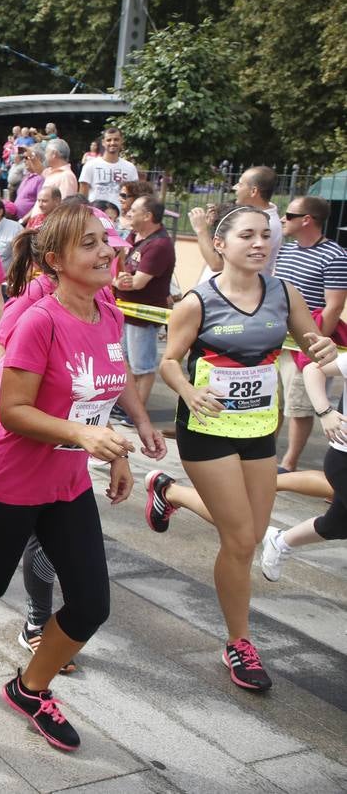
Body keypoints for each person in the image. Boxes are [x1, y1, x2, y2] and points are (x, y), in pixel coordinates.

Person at [0, 203, 134, 752]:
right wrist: (84, 437)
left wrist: (117, 452)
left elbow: (101, 392)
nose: (105, 250)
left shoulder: (110, 314)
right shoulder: (39, 320)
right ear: (55, 260)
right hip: (11, 479)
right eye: (89, 244)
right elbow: (12, 410)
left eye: (104, 240)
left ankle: (29, 687)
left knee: (91, 604)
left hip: (68, 483)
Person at [154, 203, 333, 691]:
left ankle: (168, 493)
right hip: (207, 431)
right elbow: (170, 361)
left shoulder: (283, 292)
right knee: (238, 540)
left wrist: (323, 347)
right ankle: (240, 642)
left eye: (266, 235)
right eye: (247, 236)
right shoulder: (198, 301)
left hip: (259, 429)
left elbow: (312, 339)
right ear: (221, 243)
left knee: (252, 533)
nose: (260, 243)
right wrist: (189, 392)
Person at [272, 195, 347, 472]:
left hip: (306, 342)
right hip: (279, 335)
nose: (283, 218)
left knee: (299, 405)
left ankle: (289, 463)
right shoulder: (287, 250)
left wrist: (312, 342)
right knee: (275, 399)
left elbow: (334, 305)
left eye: (289, 215)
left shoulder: (335, 255)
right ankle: (268, 453)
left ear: (307, 220)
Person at [259, 354, 347, 581]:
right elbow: (312, 369)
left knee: (336, 525)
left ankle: (280, 541)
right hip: (344, 459)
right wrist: (325, 412)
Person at [112, 193, 175, 421]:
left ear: (148, 215)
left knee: (142, 367)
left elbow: (136, 283)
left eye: (134, 210)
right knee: (126, 362)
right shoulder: (135, 236)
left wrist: (119, 281)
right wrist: (117, 279)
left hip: (143, 315)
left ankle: (137, 413)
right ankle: (126, 406)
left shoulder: (159, 244)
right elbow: (121, 269)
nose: (128, 213)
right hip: (126, 312)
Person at [190, 166, 281, 283]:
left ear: (253, 191)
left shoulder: (264, 224)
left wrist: (201, 229)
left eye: (240, 184)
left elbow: (217, 264)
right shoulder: (251, 214)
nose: (235, 188)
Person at [77, 127, 137, 208]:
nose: (112, 143)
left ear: (122, 141)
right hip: (95, 216)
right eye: (109, 140)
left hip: (120, 218)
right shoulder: (90, 165)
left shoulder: (130, 168)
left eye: (116, 139)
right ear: (103, 142)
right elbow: (82, 198)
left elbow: (134, 195)